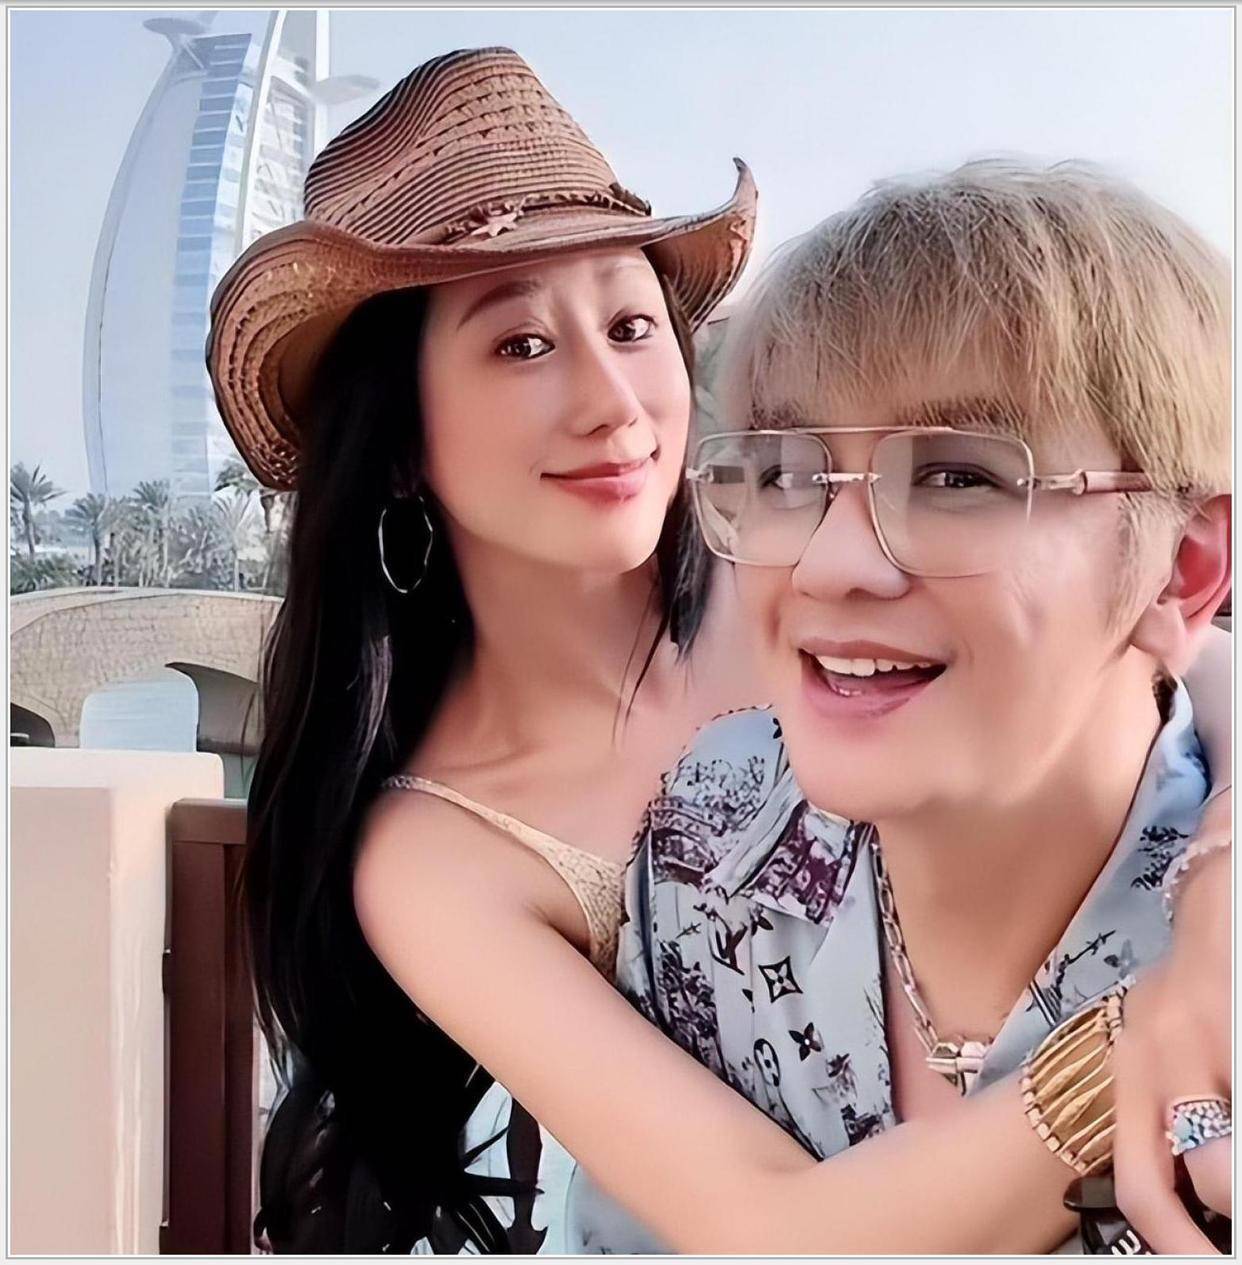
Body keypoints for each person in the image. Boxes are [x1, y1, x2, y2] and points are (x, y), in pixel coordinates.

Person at [209, 47, 1234, 1257]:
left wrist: (1222, 889)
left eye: (633, 323)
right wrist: (1136, 1038)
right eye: (521, 344)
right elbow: (763, 1224)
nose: (615, 400)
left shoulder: (797, 579)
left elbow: (1177, 645)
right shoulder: (443, 849)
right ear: (397, 441)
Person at [608, 159, 1232, 1253]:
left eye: (958, 476)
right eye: (786, 474)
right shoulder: (710, 837)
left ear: (1180, 571)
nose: (830, 564)